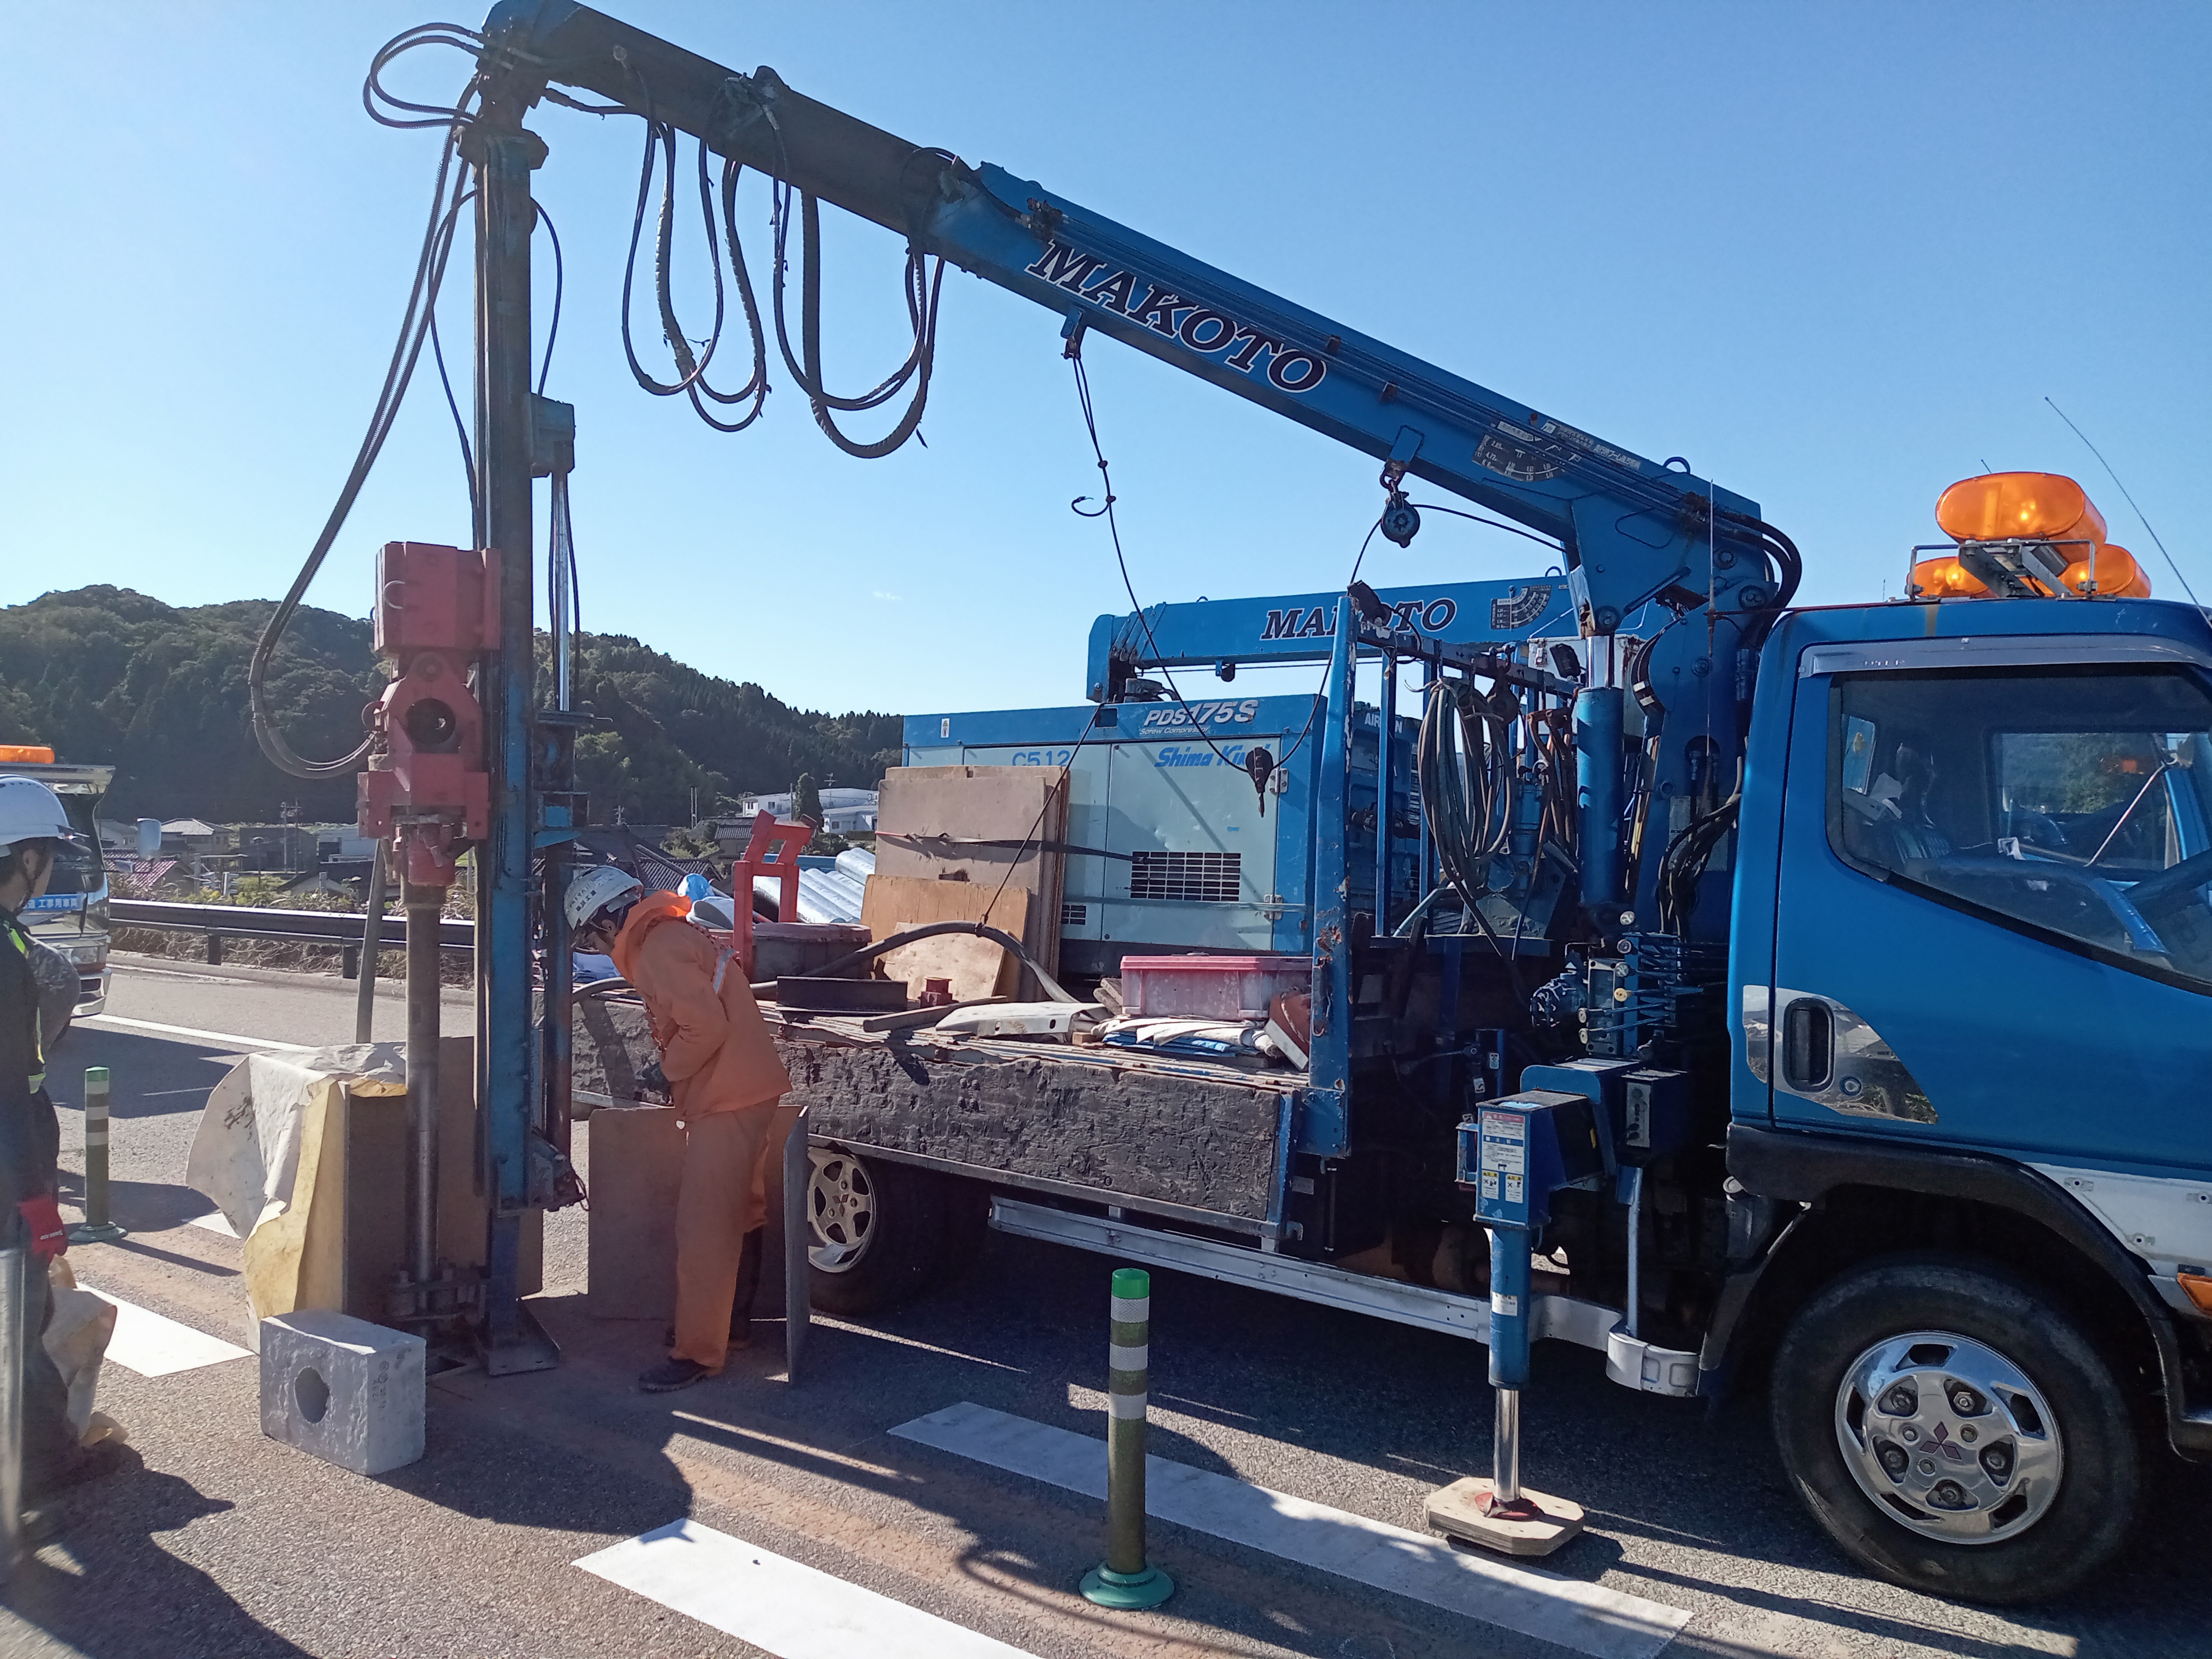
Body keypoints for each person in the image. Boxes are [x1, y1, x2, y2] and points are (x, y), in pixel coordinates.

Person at [566, 865, 796, 1393]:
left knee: (704, 1231)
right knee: (741, 1212)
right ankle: (730, 1326)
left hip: (726, 1097)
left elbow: (706, 1027)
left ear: (608, 921)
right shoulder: (673, 934)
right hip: (746, 1089)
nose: (597, 949)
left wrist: (667, 1070)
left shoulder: (655, 950)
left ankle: (697, 1352)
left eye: (592, 938)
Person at [0, 776, 102, 1503]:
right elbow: (8, 1090)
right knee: (19, 1318)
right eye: (48, 857)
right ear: (26, 858)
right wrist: (34, 1197)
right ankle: (44, 1464)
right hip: (6, 1165)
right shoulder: (9, 956)